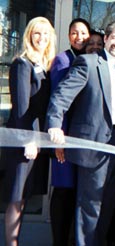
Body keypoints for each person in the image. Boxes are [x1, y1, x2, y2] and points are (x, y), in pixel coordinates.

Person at [46, 20, 115, 246]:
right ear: (106, 39)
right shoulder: (88, 62)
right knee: (90, 205)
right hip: (94, 143)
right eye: (114, 38)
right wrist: (55, 123)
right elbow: (62, 95)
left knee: (109, 204)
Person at [0, 16, 56, 246]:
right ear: (29, 36)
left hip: (37, 139)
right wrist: (28, 140)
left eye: (45, 34)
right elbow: (22, 108)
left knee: (24, 197)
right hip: (25, 140)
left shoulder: (43, 65)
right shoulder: (22, 64)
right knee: (16, 197)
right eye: (36, 33)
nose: (41, 38)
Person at [49, 17, 90, 246]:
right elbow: (58, 99)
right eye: (74, 33)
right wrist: (59, 139)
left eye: (83, 33)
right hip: (63, 138)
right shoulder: (63, 61)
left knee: (78, 194)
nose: (79, 37)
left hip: (82, 138)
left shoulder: (89, 59)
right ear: (68, 36)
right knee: (64, 191)